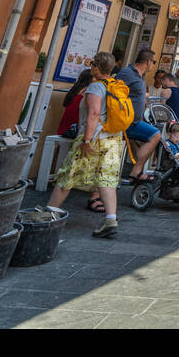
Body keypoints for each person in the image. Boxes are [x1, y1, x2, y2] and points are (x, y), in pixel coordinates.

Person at [47, 52, 124, 238]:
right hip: (113, 139)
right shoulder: (116, 86)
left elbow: (94, 114)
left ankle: (48, 213)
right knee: (107, 179)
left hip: (95, 138)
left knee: (68, 174)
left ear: (96, 68)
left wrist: (87, 140)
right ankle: (111, 220)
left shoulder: (96, 87)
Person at [118, 49, 162, 184]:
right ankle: (136, 172)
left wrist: (144, 97)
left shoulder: (140, 76)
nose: (153, 65)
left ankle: (136, 172)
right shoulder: (127, 73)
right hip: (124, 121)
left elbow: (135, 93)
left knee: (155, 135)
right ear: (148, 61)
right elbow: (115, 93)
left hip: (135, 121)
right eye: (153, 62)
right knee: (154, 136)